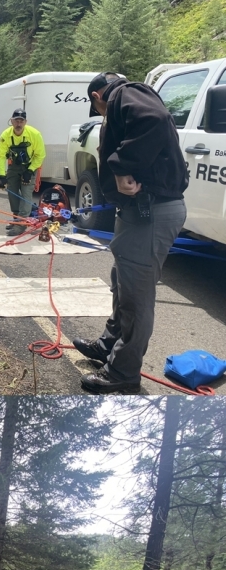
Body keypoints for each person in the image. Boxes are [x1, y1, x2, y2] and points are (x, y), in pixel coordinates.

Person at [73, 72, 188, 394]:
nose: (100, 113)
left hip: (151, 212)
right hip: (138, 211)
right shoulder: (127, 96)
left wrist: (122, 167)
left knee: (136, 297)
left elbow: (155, 119)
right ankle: (108, 346)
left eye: (97, 109)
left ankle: (123, 372)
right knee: (121, 283)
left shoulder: (124, 93)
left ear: (97, 96)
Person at [0, 110, 46, 235]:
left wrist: (30, 171)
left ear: (25, 122)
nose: (18, 124)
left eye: (21, 121)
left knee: (25, 194)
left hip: (30, 166)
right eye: (16, 120)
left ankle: (22, 224)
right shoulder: (5, 135)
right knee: (12, 192)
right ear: (11, 121)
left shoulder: (35, 134)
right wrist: (2, 175)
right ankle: (16, 219)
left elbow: (40, 155)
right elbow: (1, 156)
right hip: (14, 166)